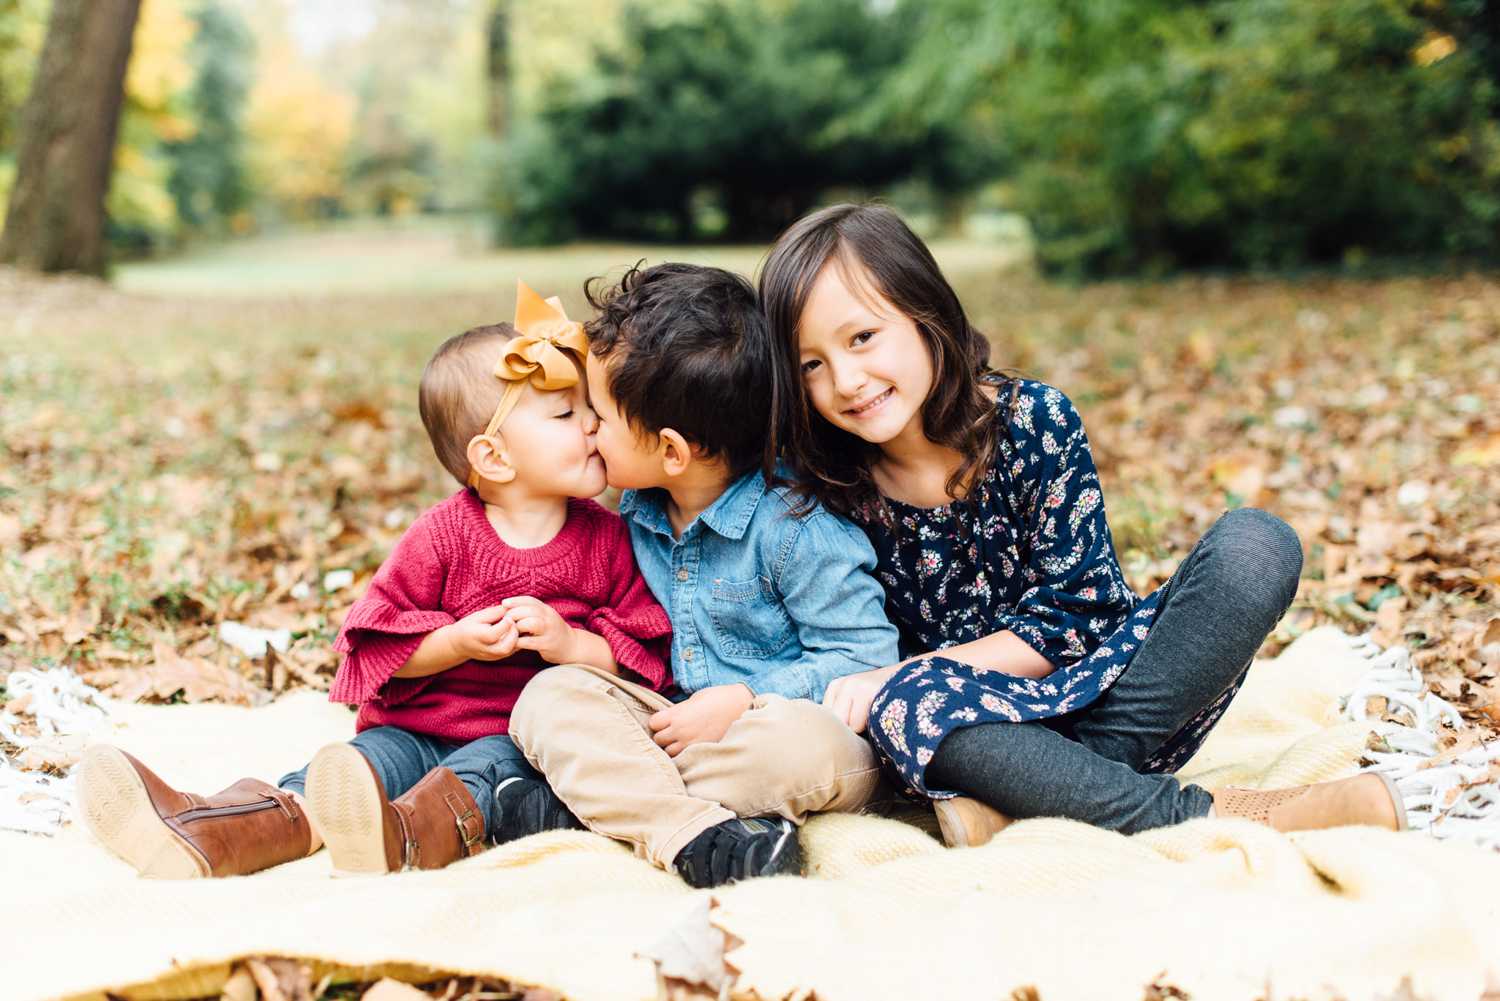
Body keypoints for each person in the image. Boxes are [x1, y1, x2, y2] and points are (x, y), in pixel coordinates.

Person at [757, 203, 1406, 847]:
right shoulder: (827, 482)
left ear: (927, 314)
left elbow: (1079, 617)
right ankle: (1194, 814)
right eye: (811, 364)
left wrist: (904, 673)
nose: (845, 380)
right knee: (907, 704)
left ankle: (1046, 792)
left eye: (862, 338)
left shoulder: (1033, 421)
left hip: (1106, 693)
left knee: (1258, 544)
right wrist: (896, 682)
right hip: (969, 729)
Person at [76, 283, 672, 878]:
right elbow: (378, 648)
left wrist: (569, 645)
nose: (595, 425)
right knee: (349, 771)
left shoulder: (608, 539)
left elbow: (641, 655)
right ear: (493, 458)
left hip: (515, 741)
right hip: (414, 729)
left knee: (483, 779)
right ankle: (215, 828)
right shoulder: (442, 536)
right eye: (568, 414)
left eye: (589, 409)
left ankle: (404, 838)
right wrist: (457, 641)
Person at [508, 262, 901, 888]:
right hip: (673, 722)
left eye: (598, 416)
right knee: (549, 698)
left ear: (670, 451)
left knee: (803, 746)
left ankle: (594, 803)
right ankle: (691, 830)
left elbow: (866, 656)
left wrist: (746, 700)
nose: (586, 427)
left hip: (778, 731)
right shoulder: (636, 510)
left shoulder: (794, 527)